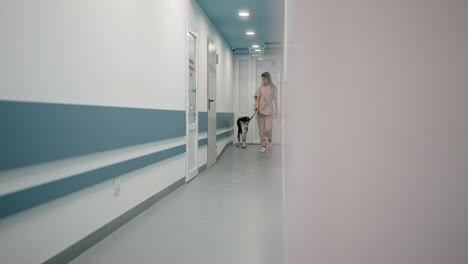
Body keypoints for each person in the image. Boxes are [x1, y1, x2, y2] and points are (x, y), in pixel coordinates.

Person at [256, 72, 278, 153]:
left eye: (264, 79)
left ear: (268, 79)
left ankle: (270, 139)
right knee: (261, 130)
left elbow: (275, 100)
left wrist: (277, 111)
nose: (263, 81)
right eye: (262, 79)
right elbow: (257, 98)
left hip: (269, 110)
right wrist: (257, 105)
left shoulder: (273, 88)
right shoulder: (260, 88)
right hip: (260, 110)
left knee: (268, 129)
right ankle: (263, 145)